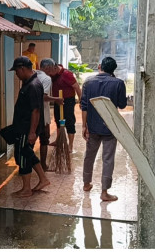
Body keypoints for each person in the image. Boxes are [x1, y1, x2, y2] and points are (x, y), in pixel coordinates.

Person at [81, 56, 127, 202]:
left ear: (100, 66)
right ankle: (104, 192)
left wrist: (84, 125)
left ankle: (86, 183)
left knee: (89, 155)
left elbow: (84, 106)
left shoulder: (88, 83)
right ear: (114, 69)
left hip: (92, 126)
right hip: (110, 126)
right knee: (108, 158)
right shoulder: (119, 83)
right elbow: (122, 105)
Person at [9, 56, 51, 197]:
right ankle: (43, 179)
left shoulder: (32, 86)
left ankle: (26, 189)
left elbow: (36, 110)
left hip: (27, 129)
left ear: (22, 69)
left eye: (16, 71)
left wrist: (32, 132)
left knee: (22, 156)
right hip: (24, 127)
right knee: (27, 152)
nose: (16, 74)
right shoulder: (30, 82)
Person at [45, 61, 82, 153]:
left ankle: (70, 146)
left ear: (55, 68)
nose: (49, 74)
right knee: (58, 120)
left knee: (69, 122)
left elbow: (77, 87)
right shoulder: (53, 75)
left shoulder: (67, 74)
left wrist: (81, 101)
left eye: (50, 71)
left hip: (68, 100)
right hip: (57, 100)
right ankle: (59, 141)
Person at [37, 58, 65, 171]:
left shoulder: (33, 74)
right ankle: (43, 165)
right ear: (48, 68)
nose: (54, 70)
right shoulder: (46, 79)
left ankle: (24, 167)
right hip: (42, 114)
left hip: (29, 113)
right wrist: (57, 99)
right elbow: (43, 96)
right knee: (44, 139)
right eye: (53, 68)